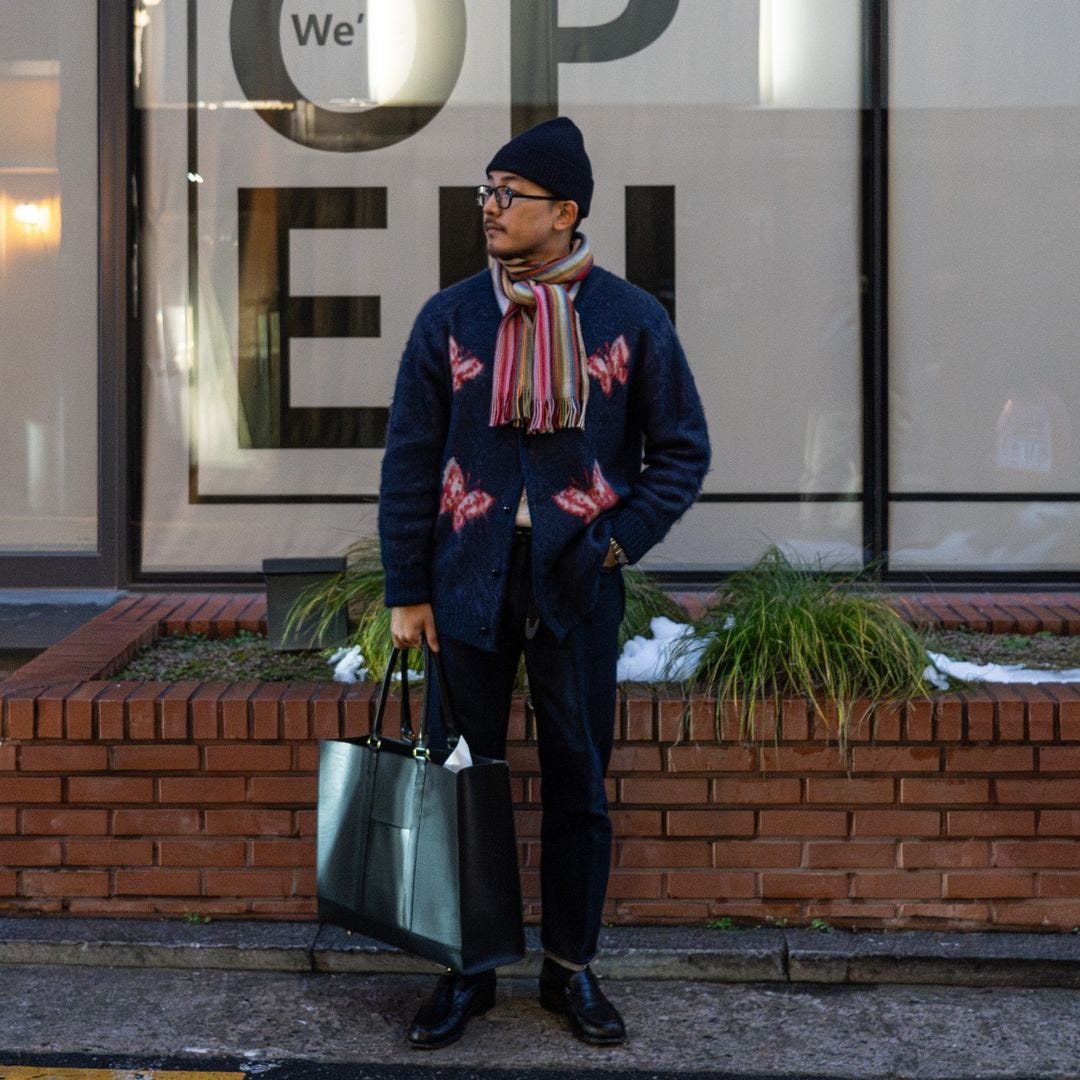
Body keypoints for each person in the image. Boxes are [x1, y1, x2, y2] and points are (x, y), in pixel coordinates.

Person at [378, 116, 710, 1049]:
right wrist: (408, 587)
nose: (488, 208)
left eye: (508, 194)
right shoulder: (449, 320)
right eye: (484, 191)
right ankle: (467, 970)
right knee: (462, 782)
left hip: (576, 581)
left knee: (578, 781)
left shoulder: (631, 319)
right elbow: (409, 462)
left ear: (565, 214)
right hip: (465, 581)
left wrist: (617, 543)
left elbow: (682, 450)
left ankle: (571, 969)